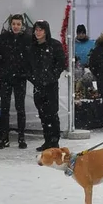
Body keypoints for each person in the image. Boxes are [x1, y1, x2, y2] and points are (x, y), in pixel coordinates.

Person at [0, 14, 31, 149]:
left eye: (18, 24)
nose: (16, 26)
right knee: (5, 108)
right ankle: (4, 138)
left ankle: (21, 138)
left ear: (22, 25)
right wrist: (1, 66)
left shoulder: (27, 39)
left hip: (20, 78)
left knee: (20, 108)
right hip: (5, 77)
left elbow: (31, 57)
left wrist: (25, 70)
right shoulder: (2, 38)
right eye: (14, 24)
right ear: (10, 24)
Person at [27, 20, 66, 151]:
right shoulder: (32, 47)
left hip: (51, 85)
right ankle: (47, 140)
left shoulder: (55, 45)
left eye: (40, 30)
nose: (38, 33)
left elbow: (61, 63)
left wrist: (52, 76)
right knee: (42, 114)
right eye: (36, 30)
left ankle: (54, 141)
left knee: (52, 113)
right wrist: (33, 78)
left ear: (46, 31)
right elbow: (27, 66)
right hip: (38, 85)